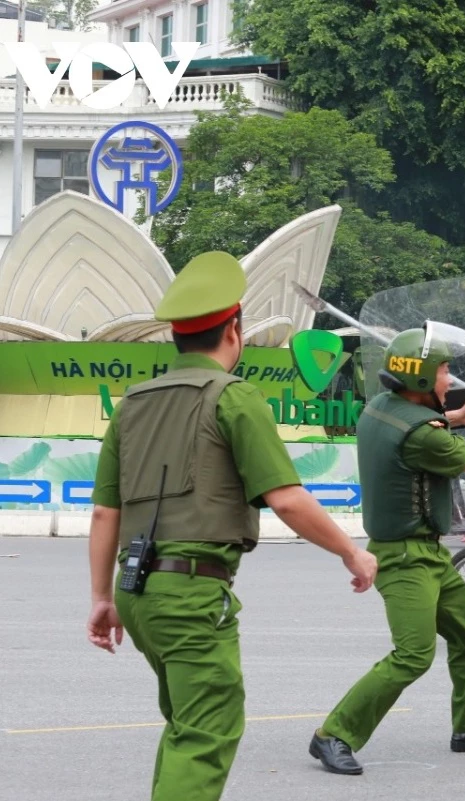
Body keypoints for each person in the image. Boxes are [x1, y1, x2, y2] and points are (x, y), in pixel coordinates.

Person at [85, 252, 379, 801]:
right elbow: (287, 499)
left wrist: (102, 598)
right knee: (206, 729)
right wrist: (352, 552)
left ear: (177, 337)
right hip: (190, 592)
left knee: (186, 723)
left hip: (136, 591)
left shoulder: (132, 405)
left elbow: (106, 512)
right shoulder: (234, 397)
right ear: (234, 331)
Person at [310, 322, 465, 776]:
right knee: (413, 654)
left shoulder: (380, 408)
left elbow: (423, 423)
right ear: (420, 377)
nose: (449, 379)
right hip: (405, 558)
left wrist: (459, 416)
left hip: (429, 554)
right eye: (443, 371)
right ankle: (334, 734)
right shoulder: (422, 435)